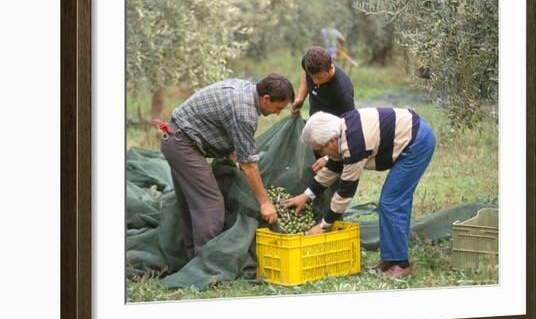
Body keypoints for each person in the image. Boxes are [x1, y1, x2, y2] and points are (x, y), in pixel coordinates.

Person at [283, 108, 436, 278]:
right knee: (393, 202)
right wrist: (306, 196)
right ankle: (390, 259)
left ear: (332, 141)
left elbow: (345, 192)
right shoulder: (341, 130)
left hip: (416, 142)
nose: (320, 155)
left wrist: (323, 226)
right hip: (411, 133)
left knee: (392, 202)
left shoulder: (355, 144)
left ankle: (401, 264)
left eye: (320, 150)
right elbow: (333, 167)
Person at [161, 74, 294, 260]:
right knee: (210, 205)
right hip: (183, 145)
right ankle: (207, 266)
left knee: (190, 203)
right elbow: (248, 165)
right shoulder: (244, 111)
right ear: (266, 98)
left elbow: (227, 130)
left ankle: (192, 258)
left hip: (176, 137)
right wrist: (265, 203)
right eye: (278, 107)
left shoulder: (246, 89)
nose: (278, 113)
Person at [290, 46, 355, 173]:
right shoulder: (309, 62)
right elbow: (305, 73)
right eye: (312, 77)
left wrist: (328, 157)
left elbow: (350, 128)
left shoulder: (342, 92)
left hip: (332, 141)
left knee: (329, 174)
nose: (315, 82)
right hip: (315, 130)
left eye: (320, 78)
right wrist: (300, 97)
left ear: (330, 68)